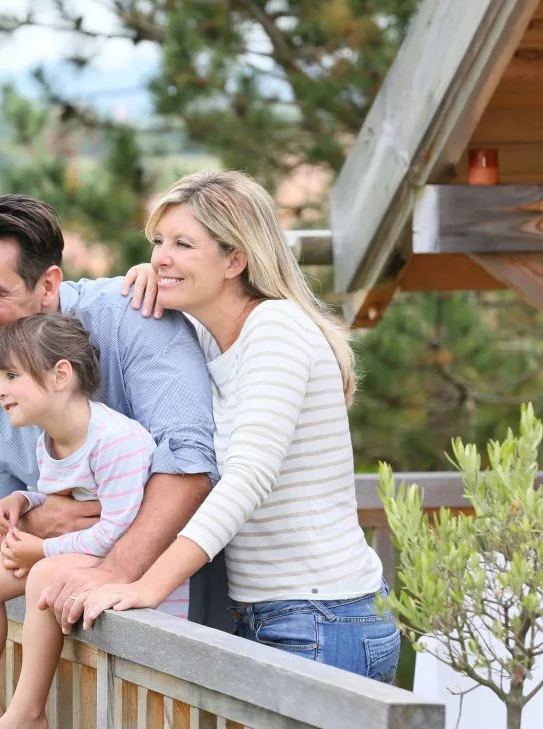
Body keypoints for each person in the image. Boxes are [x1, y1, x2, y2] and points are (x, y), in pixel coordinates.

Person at [80, 170, 401, 683]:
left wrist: (146, 585)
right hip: (268, 616)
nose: (162, 255)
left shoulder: (277, 332)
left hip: (325, 619)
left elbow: (247, 479)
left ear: (235, 259)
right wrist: (156, 271)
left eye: (184, 243)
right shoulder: (212, 337)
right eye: (158, 242)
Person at [0, 194, 230, 636]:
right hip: (65, 625)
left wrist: (112, 571)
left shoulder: (134, 316)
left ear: (48, 285)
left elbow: (190, 462)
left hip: (187, 624)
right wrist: (38, 522)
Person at [0, 313, 189, 729]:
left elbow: (121, 533)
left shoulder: (117, 440)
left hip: (133, 566)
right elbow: (66, 496)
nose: (0, 391)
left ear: (61, 374)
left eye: (11, 376)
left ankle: (27, 713)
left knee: (43, 574)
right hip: (86, 553)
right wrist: (22, 500)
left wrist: (42, 549)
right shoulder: (51, 440)